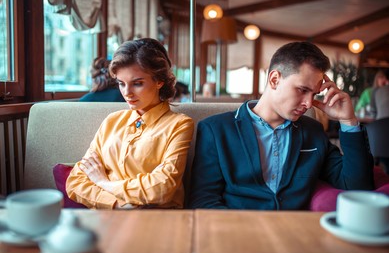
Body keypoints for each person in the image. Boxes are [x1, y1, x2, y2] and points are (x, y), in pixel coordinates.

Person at [188, 41, 374, 210]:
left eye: (314, 94)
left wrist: (348, 121)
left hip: (297, 237)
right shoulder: (215, 130)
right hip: (238, 236)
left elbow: (357, 186)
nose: (309, 104)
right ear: (274, 79)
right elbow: (204, 201)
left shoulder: (312, 131)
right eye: (302, 90)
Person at [66, 38, 194, 209]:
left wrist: (104, 183)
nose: (127, 93)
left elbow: (163, 187)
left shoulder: (180, 124)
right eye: (121, 83)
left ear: (159, 81)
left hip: (157, 218)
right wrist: (116, 205)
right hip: (108, 217)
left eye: (137, 83)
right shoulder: (112, 121)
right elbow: (75, 181)